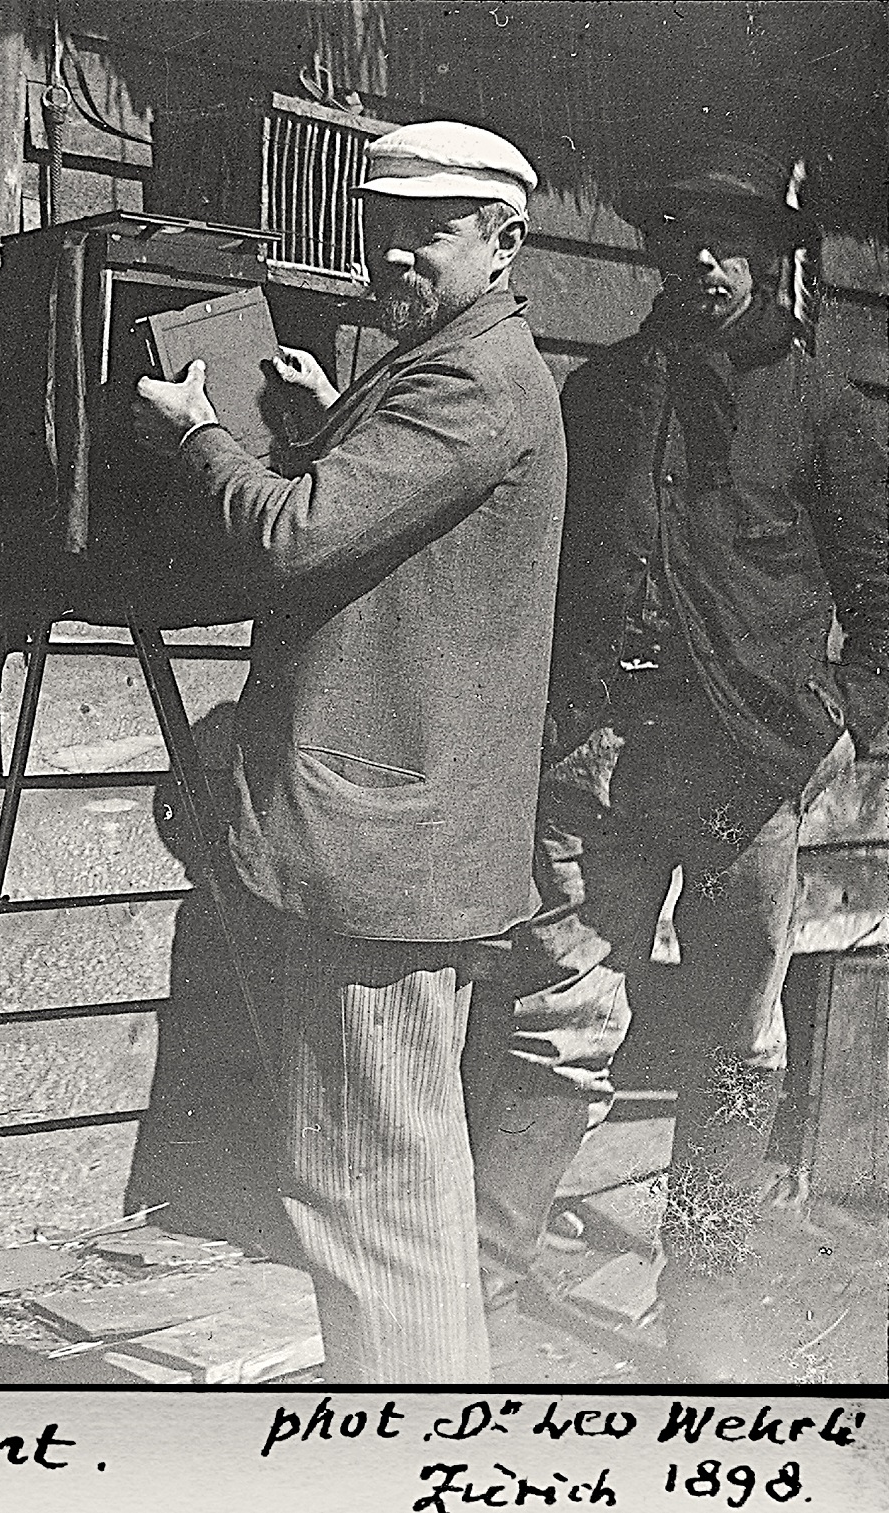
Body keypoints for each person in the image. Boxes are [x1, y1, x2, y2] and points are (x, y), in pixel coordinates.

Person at [130, 121, 564, 1381]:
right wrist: (332, 425)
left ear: (502, 237)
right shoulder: (448, 360)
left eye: (428, 228)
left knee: (371, 1202)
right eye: (382, 223)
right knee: (385, 1189)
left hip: (381, 847)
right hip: (391, 836)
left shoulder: (473, 377)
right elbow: (389, 521)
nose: (393, 249)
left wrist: (200, 437)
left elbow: (293, 541)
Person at [465, 140, 889, 1381]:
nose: (703, 262)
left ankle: (699, 1297)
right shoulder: (602, 392)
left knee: (730, 1036)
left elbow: (879, 601)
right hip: (597, 753)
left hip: (741, 768)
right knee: (557, 1020)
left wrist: (829, 730)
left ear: (769, 260)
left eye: (730, 243)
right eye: (682, 239)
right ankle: (487, 1291)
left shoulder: (823, 411)